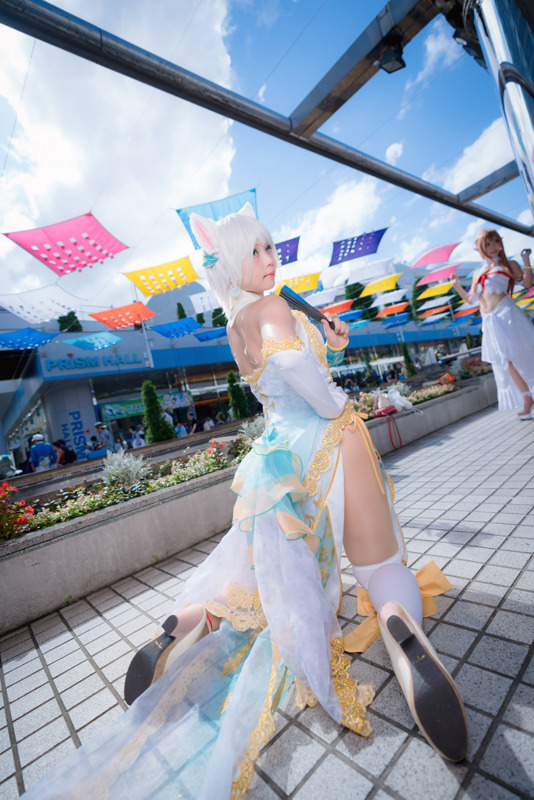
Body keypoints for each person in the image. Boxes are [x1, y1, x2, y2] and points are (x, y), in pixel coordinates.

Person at [23, 206, 467, 800]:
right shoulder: (275, 306)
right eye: (254, 252)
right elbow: (298, 372)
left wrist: (330, 344)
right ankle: (396, 624)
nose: (268, 257)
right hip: (331, 444)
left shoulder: (235, 326)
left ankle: (186, 625)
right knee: (380, 566)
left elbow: (276, 382)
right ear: (233, 265)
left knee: (258, 578)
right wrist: (340, 404)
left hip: (277, 461)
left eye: (267, 246)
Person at [451, 231, 534, 419]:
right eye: (488, 244)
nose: (494, 246)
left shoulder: (508, 265)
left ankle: (531, 395)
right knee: (506, 362)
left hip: (507, 315)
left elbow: (527, 283)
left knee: (522, 356)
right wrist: (456, 285)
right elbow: (471, 300)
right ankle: (527, 398)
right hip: (489, 321)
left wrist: (526, 259)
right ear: (480, 248)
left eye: (496, 241)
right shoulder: (478, 273)